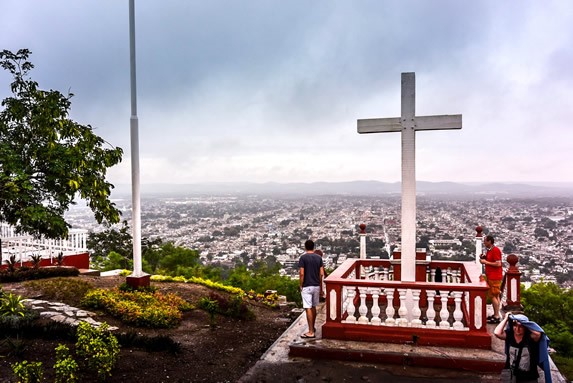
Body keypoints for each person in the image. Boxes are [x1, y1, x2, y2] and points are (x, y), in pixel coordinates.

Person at [494, 312, 552, 383]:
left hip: (529, 377)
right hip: (511, 375)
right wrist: (506, 318)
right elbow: (497, 333)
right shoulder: (510, 335)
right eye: (515, 325)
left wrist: (525, 323)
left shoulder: (530, 337)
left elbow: (538, 334)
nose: (517, 329)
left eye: (520, 326)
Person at [298, 239, 325, 339]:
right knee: (313, 307)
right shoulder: (318, 258)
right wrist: (319, 285)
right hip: (316, 285)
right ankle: (312, 328)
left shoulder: (303, 258)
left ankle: (310, 332)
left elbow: (302, 273)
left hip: (307, 285)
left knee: (308, 307)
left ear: (305, 247)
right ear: (313, 247)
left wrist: (301, 285)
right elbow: (321, 273)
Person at [480, 234, 503, 323]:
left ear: (490, 241)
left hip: (495, 276)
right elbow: (492, 260)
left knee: (493, 295)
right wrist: (485, 258)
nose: (484, 243)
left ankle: (497, 315)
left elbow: (498, 264)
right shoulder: (489, 250)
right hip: (491, 275)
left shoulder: (495, 250)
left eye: (485, 241)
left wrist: (485, 262)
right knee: (495, 295)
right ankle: (496, 313)